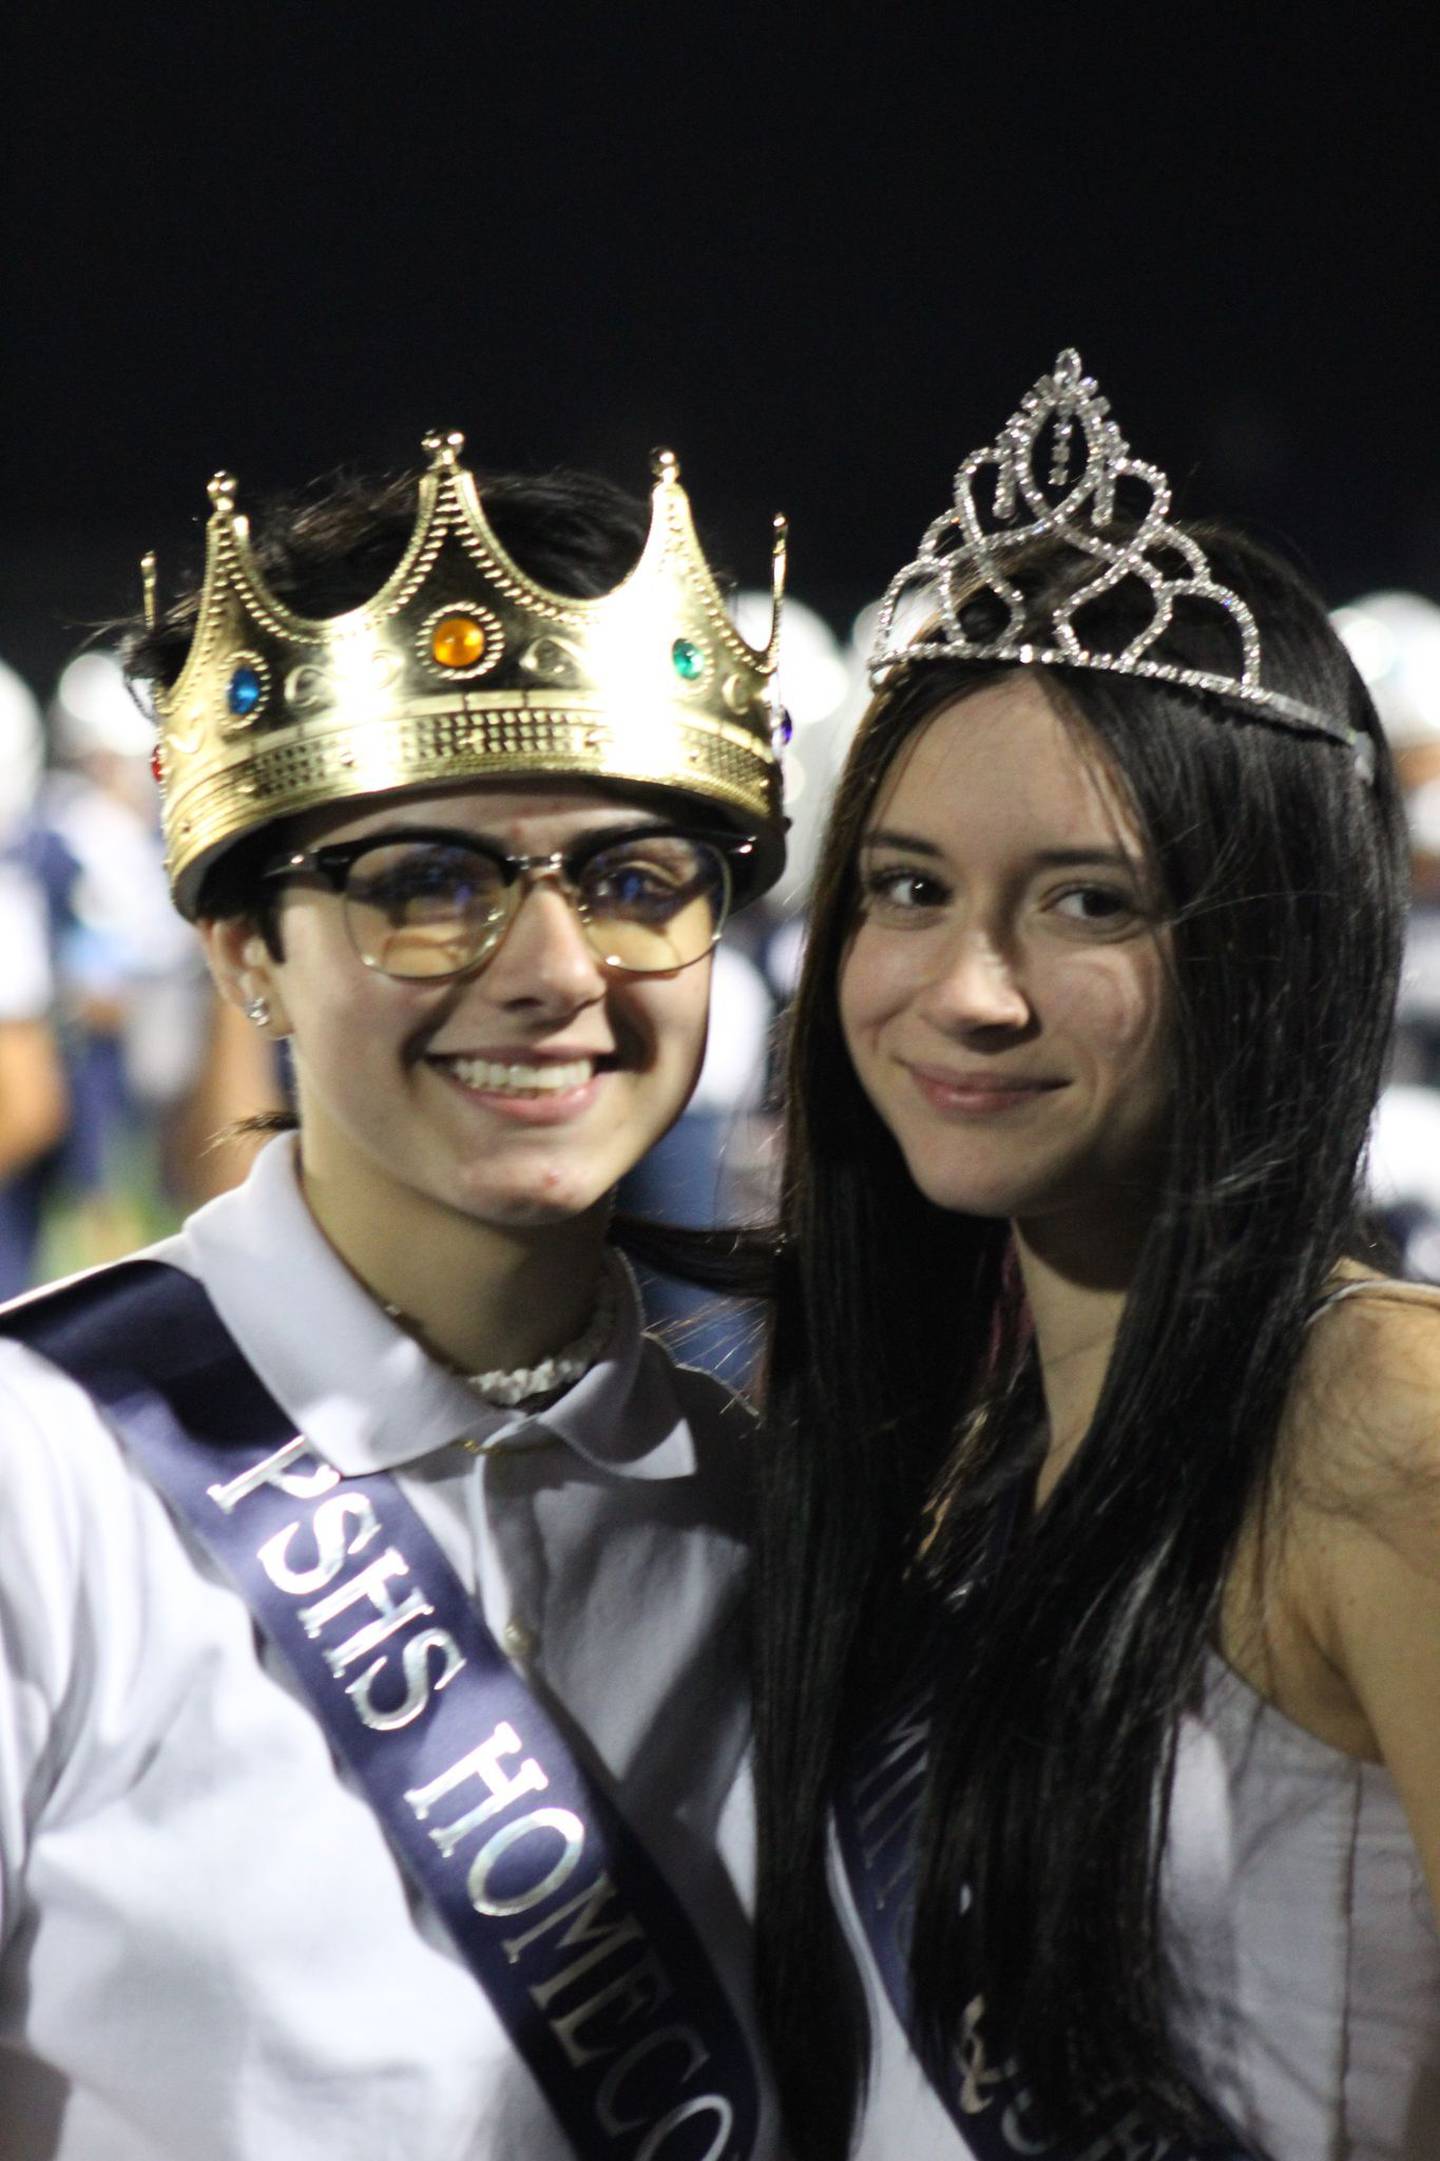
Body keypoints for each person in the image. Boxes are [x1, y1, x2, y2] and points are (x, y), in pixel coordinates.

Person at [0, 431, 793, 2158]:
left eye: (638, 878)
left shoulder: (770, 1511)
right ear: (242, 951)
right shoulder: (41, 1476)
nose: (555, 970)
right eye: (425, 885)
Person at [752, 353, 1440, 2159]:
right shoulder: (966, 1447)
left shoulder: (1379, 1421)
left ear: (1271, 943)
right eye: (904, 888)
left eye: (1089, 900)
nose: (964, 992)